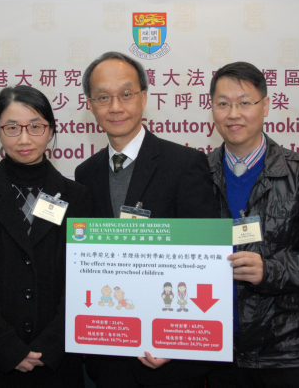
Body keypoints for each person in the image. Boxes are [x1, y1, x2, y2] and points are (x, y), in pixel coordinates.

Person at [75, 51, 218, 388]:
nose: (115, 106)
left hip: (169, 356)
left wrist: (176, 338)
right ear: (90, 105)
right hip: (109, 352)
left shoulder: (184, 164)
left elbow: (203, 258)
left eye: (126, 94)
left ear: (144, 97)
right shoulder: (86, 174)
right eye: (103, 97)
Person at [205, 61, 299, 388]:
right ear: (212, 110)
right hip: (221, 348)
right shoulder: (198, 173)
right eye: (223, 104)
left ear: (265, 106)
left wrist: (270, 270)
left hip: (288, 350)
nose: (233, 113)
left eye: (244, 102)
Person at [0, 85, 92, 387]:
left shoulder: (78, 197)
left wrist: (51, 344)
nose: (24, 139)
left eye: (36, 127)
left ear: (51, 130)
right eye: (12, 128)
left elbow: (86, 279)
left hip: (56, 361)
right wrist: (7, 347)